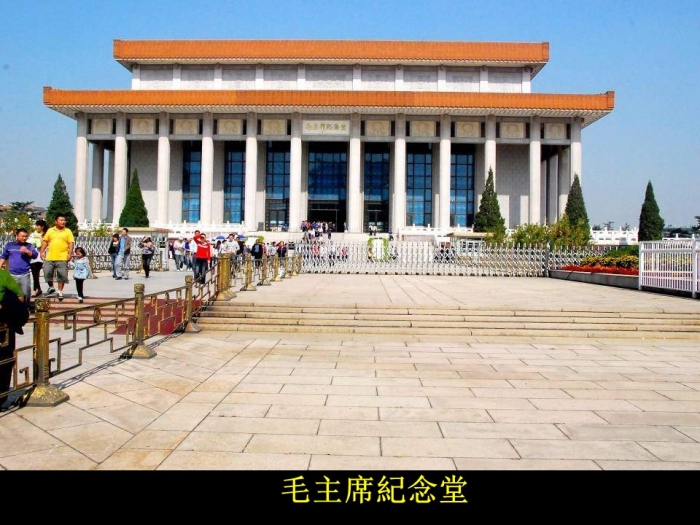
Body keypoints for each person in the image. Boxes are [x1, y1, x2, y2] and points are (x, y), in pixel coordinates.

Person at [0, 267, 27, 406]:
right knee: (4, 361)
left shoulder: (3, 276)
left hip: (4, 328)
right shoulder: (3, 275)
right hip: (4, 327)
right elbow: (20, 297)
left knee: (5, 360)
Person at [0, 228, 38, 309]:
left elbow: (35, 255)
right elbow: (3, 257)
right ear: (17, 235)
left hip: (24, 274)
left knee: (26, 293)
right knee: (12, 293)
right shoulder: (9, 245)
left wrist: (27, 251)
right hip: (12, 274)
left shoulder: (29, 246)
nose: (24, 238)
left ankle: (25, 308)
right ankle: (13, 309)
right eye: (22, 236)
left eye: (26, 236)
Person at [39, 214, 74, 302]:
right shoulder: (50, 230)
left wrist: (70, 254)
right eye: (61, 220)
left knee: (62, 275)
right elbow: (45, 241)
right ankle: (51, 287)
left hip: (62, 257)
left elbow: (71, 243)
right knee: (47, 272)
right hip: (50, 256)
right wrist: (41, 251)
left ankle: (60, 291)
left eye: (64, 220)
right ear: (56, 221)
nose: (63, 222)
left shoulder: (68, 231)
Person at [28, 219, 47, 297]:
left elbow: (43, 244)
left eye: (39, 226)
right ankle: (37, 289)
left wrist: (40, 238)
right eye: (36, 225)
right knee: (34, 273)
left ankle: (35, 289)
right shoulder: (32, 234)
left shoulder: (45, 234)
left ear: (42, 227)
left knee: (36, 273)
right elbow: (28, 242)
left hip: (40, 255)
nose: (37, 227)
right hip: (32, 255)